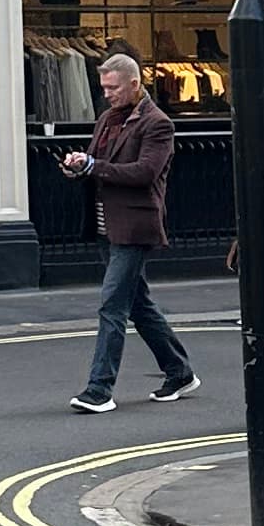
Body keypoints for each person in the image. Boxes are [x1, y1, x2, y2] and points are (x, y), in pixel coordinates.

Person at [61, 48, 201, 417]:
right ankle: (179, 371)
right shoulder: (107, 118)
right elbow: (98, 164)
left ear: (135, 84)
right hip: (105, 224)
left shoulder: (157, 123)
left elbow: (144, 173)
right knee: (138, 304)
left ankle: (99, 389)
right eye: (104, 88)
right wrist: (79, 166)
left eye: (113, 88)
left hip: (135, 226)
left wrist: (94, 165)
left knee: (112, 305)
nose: (107, 94)